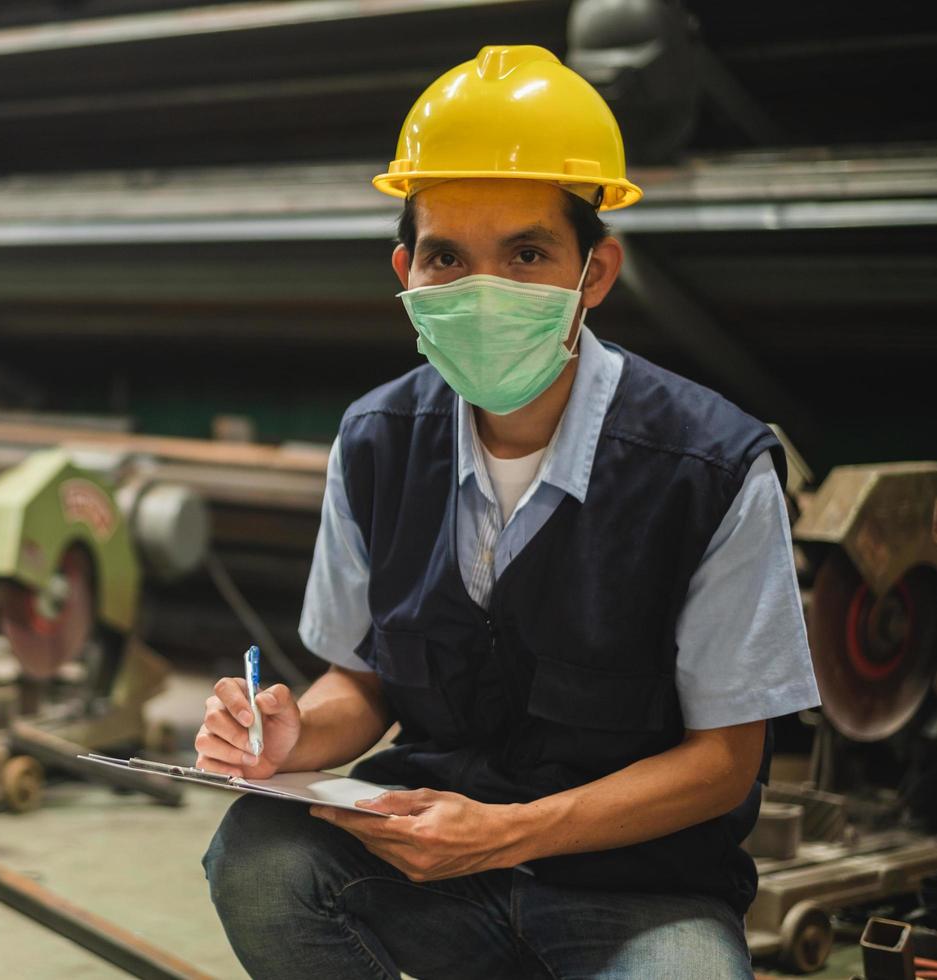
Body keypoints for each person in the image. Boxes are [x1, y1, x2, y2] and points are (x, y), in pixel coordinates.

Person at [195, 45, 819, 979]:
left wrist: (506, 834)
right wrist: (292, 736)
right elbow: (359, 682)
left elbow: (724, 762)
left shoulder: (710, 467)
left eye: (525, 253)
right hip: (427, 863)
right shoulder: (374, 440)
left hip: (636, 891)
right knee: (257, 857)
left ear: (593, 274)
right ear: (406, 270)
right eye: (446, 256)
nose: (481, 290)